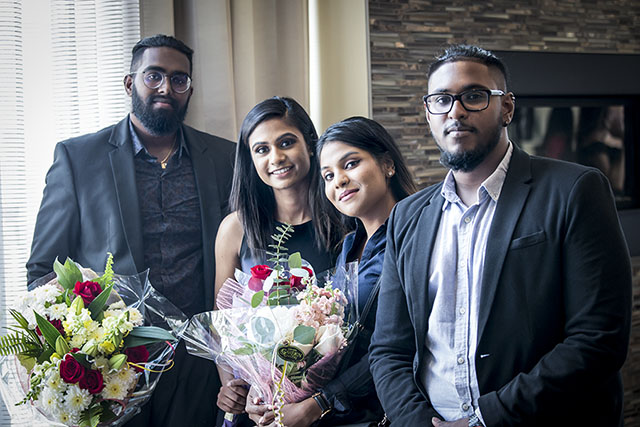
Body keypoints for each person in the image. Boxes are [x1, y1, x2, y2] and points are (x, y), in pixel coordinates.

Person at [368, 44, 632, 426]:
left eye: (474, 96)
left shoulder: (576, 189)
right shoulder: (407, 216)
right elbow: (389, 349)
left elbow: (598, 338)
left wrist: (486, 420)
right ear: (428, 113)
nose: (455, 111)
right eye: (441, 100)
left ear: (506, 107)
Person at [26, 34, 235, 426]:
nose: (166, 88)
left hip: (199, 361)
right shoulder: (78, 158)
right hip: (113, 366)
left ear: (189, 88)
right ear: (130, 83)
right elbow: (42, 270)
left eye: (179, 79)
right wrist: (80, 346)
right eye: (153, 75)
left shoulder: (225, 157)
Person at [245, 116, 416, 427]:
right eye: (327, 175)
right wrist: (272, 386)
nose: (338, 180)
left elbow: (400, 347)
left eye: (350, 164)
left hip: (386, 412)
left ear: (388, 164)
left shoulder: (412, 239)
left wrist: (318, 404)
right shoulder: (349, 246)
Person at [213, 96, 347, 425]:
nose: (276, 157)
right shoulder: (235, 228)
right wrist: (236, 388)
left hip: (323, 409)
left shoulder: (345, 223)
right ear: (251, 159)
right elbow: (222, 327)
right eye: (261, 149)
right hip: (256, 410)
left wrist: (312, 401)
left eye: (286, 142)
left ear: (311, 145)